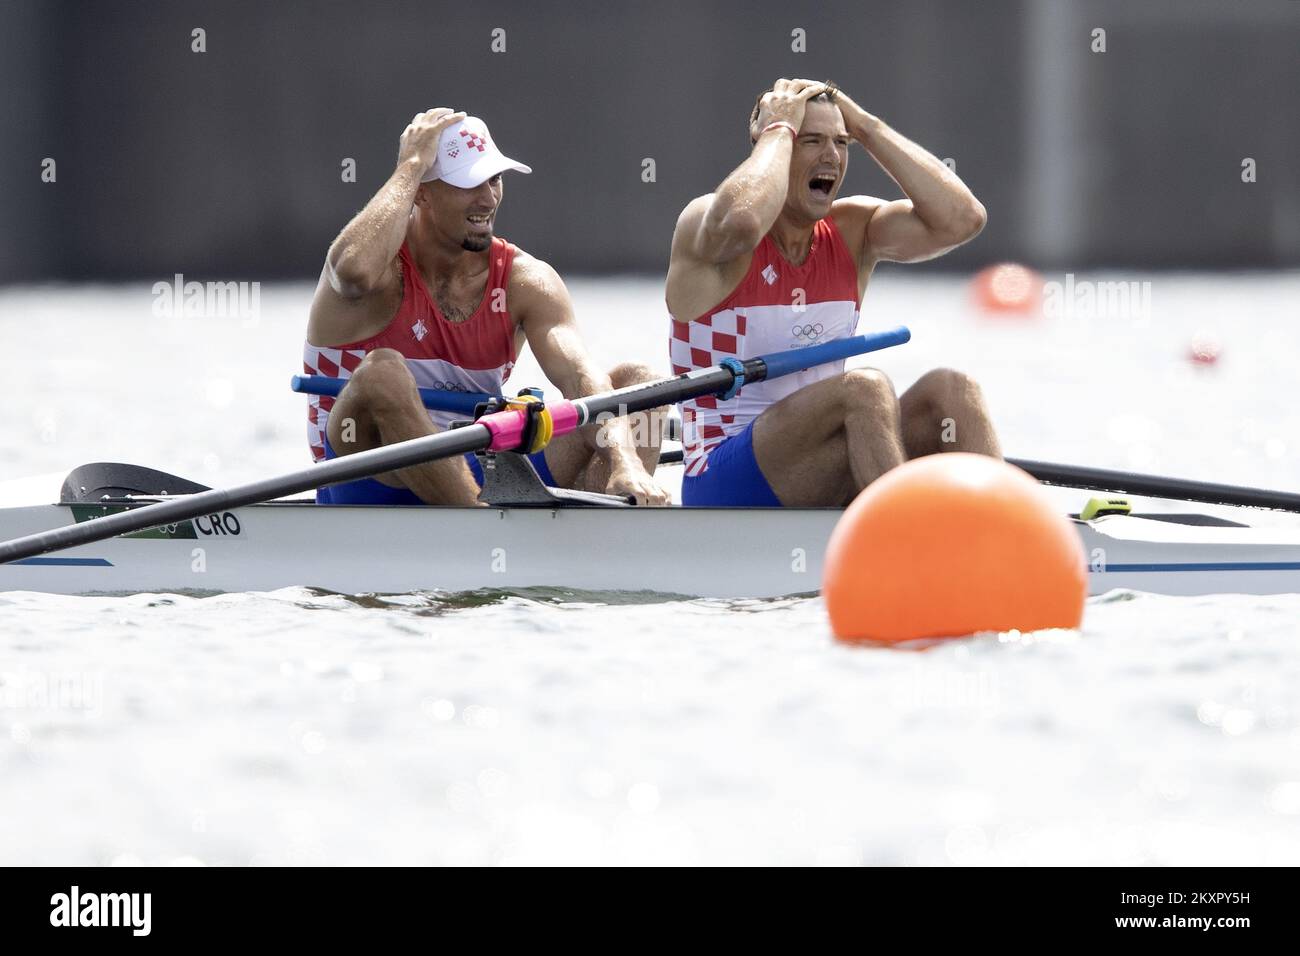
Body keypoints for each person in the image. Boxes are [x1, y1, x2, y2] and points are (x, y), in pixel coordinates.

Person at [305, 108, 668, 506]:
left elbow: (580, 376)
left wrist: (624, 460)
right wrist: (410, 164)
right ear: (420, 191)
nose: (488, 198)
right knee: (382, 372)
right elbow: (352, 272)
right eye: (469, 183)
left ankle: (597, 548)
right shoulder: (373, 270)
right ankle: (478, 524)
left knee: (639, 387)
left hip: (479, 471)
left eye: (494, 179)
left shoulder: (525, 282)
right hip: (369, 477)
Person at [665, 79, 1000, 507]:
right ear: (772, 141)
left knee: (954, 390)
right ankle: (904, 539)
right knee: (864, 389)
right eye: (811, 141)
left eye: (841, 143)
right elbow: (744, 221)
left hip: (818, 464)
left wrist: (866, 127)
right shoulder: (708, 225)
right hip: (721, 476)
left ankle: (1006, 532)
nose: (831, 157)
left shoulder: (853, 232)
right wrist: (776, 130)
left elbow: (963, 220)